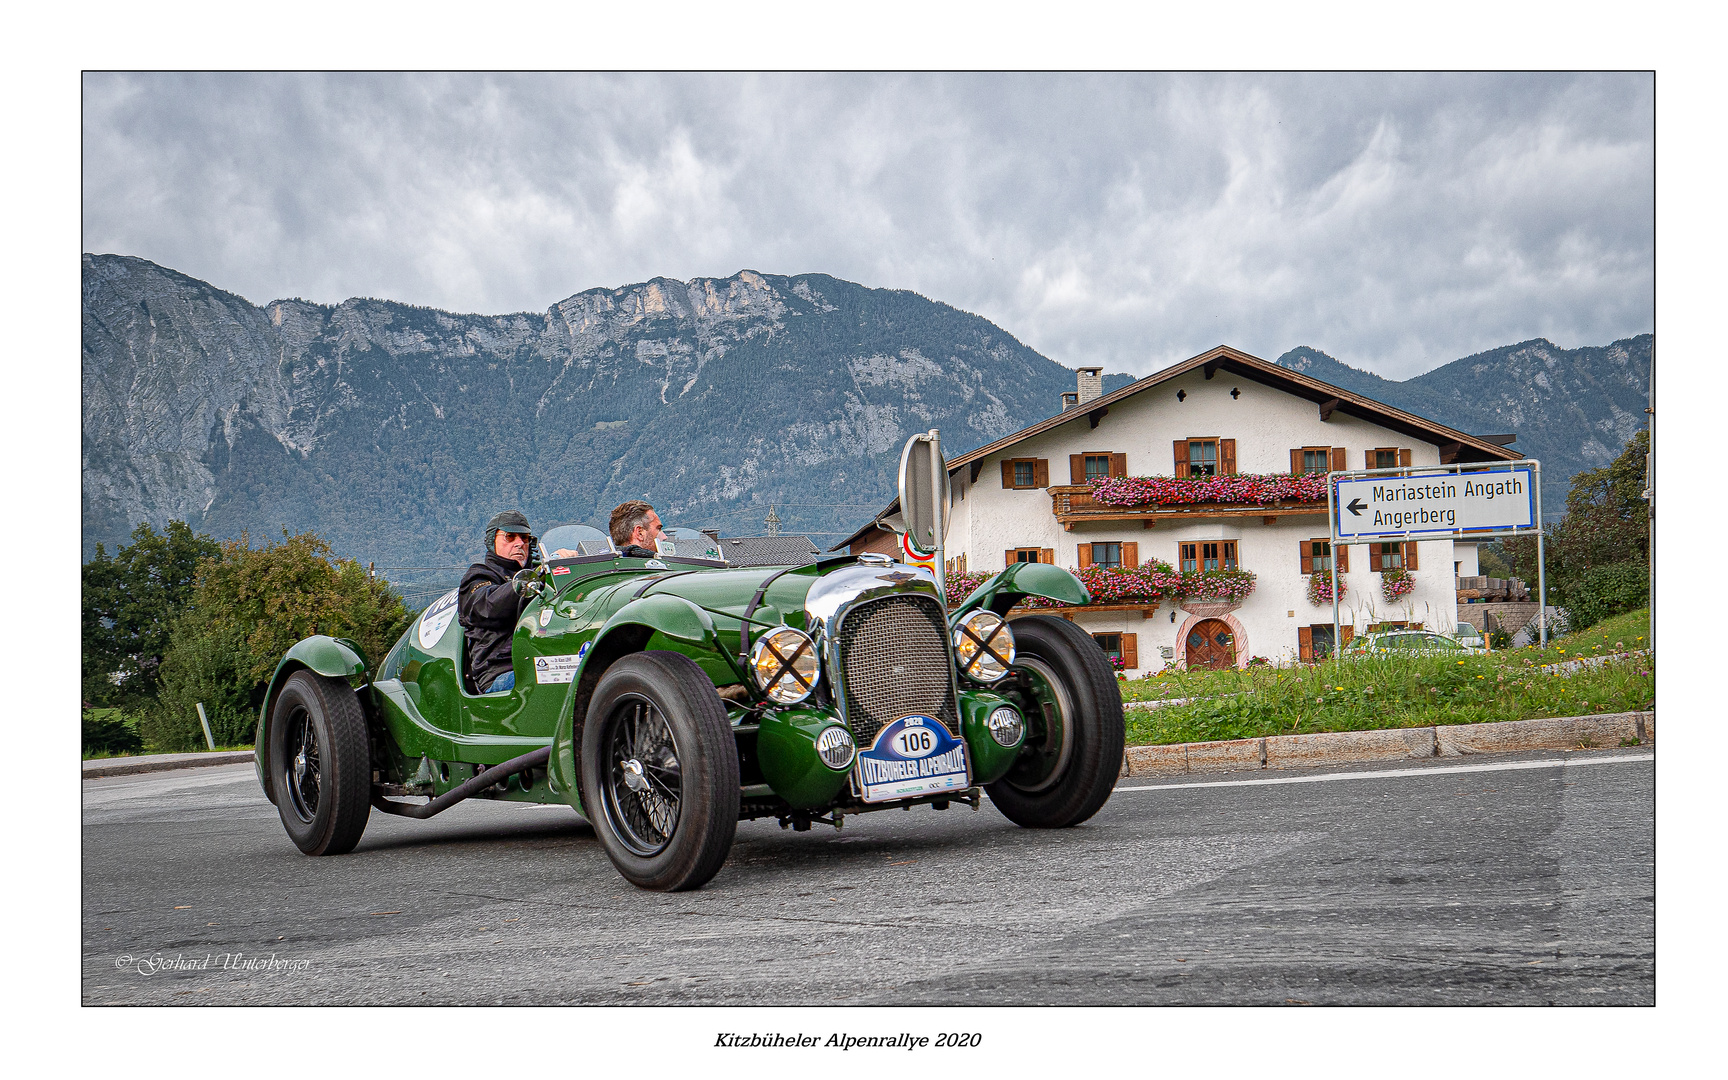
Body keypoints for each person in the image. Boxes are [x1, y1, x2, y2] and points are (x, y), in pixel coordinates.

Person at [459, 510, 538, 694]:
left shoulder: (539, 576)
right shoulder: (478, 576)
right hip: (501, 673)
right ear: (491, 541)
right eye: (510, 537)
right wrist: (529, 580)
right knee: (551, 682)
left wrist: (566, 564)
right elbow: (489, 605)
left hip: (541, 662)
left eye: (525, 538)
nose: (519, 543)